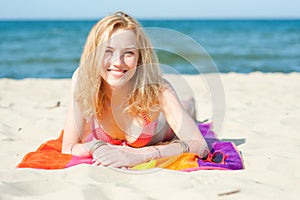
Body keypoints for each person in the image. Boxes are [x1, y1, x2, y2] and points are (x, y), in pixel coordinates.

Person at [61, 11, 208, 168]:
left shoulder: (158, 90)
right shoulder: (82, 80)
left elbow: (200, 145)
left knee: (186, 107)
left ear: (140, 58)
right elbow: (68, 147)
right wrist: (97, 146)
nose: (118, 62)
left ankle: (189, 105)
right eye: (107, 51)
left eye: (129, 53)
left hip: (165, 127)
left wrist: (139, 155)